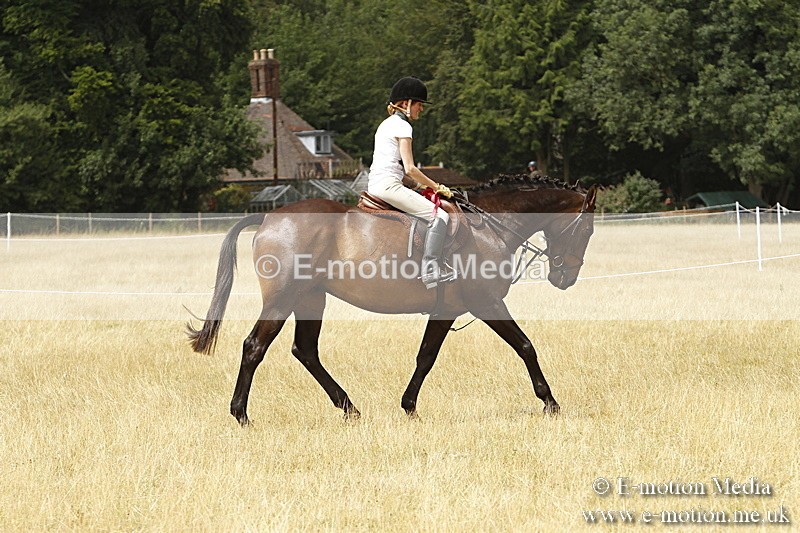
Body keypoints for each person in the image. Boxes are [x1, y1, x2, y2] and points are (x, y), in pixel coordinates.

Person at [368, 76, 455, 289]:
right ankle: (430, 269)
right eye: (419, 104)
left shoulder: (385, 125)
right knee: (440, 216)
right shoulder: (403, 127)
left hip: (377, 184)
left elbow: (398, 169)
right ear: (406, 103)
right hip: (389, 186)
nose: (421, 109)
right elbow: (410, 169)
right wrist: (436, 187)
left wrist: (419, 186)